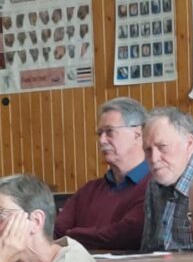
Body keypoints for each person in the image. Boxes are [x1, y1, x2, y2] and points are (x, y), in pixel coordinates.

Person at [54, 98, 151, 252]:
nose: (101, 140)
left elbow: (124, 235)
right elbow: (56, 231)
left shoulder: (155, 187)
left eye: (109, 132)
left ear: (137, 134)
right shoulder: (88, 191)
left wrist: (70, 237)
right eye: (100, 133)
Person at [139, 107, 193, 252]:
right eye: (148, 150)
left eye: (162, 147)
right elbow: (147, 249)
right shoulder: (154, 184)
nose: (154, 159)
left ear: (188, 143)